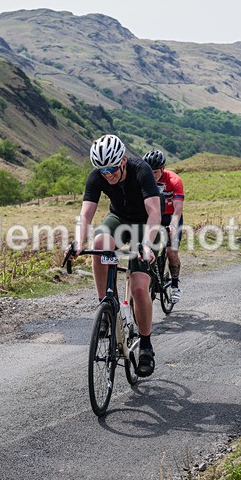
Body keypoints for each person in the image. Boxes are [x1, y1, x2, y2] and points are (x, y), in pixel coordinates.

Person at [75, 134, 162, 377]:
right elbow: (85, 215)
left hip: (145, 225)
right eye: (102, 170)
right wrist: (78, 241)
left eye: (112, 168)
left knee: (138, 287)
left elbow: (154, 212)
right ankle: (106, 305)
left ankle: (145, 345)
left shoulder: (141, 170)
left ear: (123, 160)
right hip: (119, 219)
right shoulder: (98, 175)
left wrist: (146, 244)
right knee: (100, 242)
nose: (108, 175)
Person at [143, 149, 185, 303]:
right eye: (149, 172)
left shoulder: (174, 180)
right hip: (154, 217)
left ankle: (174, 285)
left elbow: (178, 208)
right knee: (147, 250)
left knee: (171, 252)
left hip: (171, 216)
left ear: (162, 168)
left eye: (154, 172)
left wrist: (173, 226)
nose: (152, 176)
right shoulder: (144, 180)